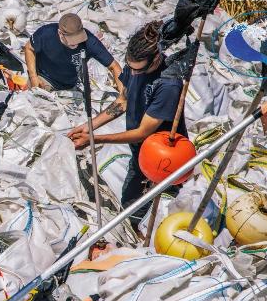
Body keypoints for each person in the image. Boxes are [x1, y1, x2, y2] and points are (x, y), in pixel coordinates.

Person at [68, 20, 185, 227]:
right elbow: (123, 101)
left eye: (138, 70)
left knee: (157, 215)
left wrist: (93, 140)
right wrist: (89, 127)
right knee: (129, 209)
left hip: (163, 160)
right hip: (139, 153)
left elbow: (142, 132)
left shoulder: (168, 84)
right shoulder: (133, 69)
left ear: (156, 59)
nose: (133, 74)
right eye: (130, 68)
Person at [25, 13, 125, 96]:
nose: (76, 43)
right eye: (72, 40)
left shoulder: (89, 41)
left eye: (79, 38)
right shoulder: (46, 33)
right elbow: (29, 48)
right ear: (60, 33)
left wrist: (123, 95)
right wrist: (34, 77)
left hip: (69, 85)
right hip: (44, 78)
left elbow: (114, 66)